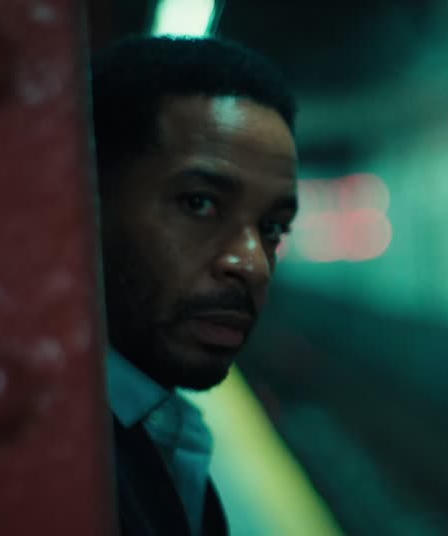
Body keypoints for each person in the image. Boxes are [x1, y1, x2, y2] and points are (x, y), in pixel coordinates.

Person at [91, 35, 299, 536]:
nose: (254, 265)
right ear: (88, 202)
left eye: (272, 227)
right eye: (200, 204)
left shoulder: (154, 439)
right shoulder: (47, 463)